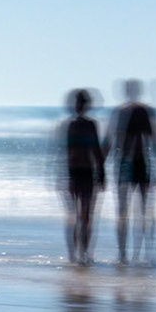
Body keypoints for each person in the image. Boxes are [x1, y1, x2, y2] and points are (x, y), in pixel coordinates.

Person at [110, 79, 156, 265]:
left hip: (133, 162)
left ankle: (132, 254)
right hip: (133, 162)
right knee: (134, 210)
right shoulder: (132, 112)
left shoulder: (135, 112)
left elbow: (154, 140)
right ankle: (132, 254)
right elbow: (155, 141)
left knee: (135, 210)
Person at [56, 88, 105, 264]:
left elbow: (96, 151)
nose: (79, 106)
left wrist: (101, 173)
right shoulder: (71, 125)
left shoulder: (89, 125)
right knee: (77, 215)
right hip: (75, 173)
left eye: (82, 103)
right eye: (78, 103)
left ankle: (83, 254)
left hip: (86, 172)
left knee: (86, 216)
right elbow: (67, 152)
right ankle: (75, 254)